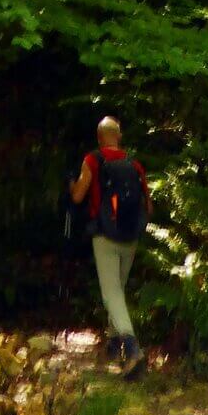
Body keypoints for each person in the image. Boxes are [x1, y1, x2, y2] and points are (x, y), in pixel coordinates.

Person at [69, 116, 152, 378]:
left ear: (99, 137)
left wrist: (72, 184)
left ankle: (132, 346)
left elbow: (78, 196)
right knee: (119, 289)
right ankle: (114, 345)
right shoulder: (135, 166)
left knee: (111, 293)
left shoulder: (93, 160)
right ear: (119, 136)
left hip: (105, 236)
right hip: (131, 236)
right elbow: (147, 207)